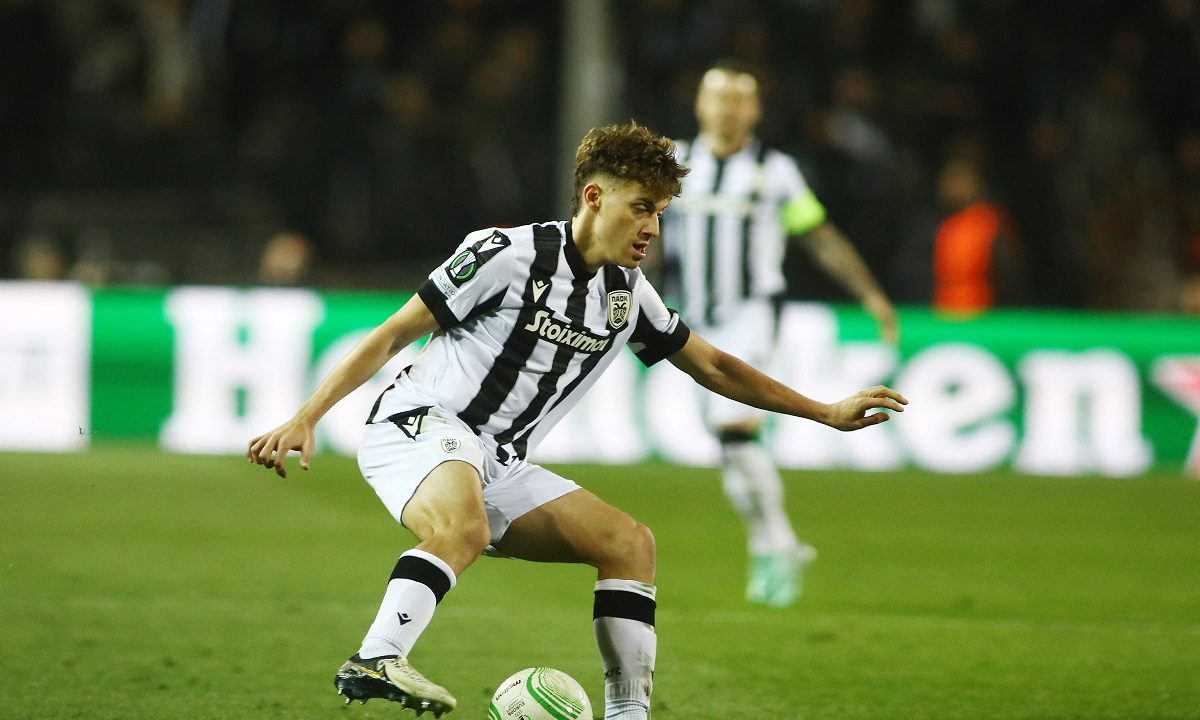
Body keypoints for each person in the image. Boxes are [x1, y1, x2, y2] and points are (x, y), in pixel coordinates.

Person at [247, 121, 907, 719]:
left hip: (498, 459)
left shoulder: (628, 293)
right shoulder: (506, 254)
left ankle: (628, 714)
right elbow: (394, 332)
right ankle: (376, 656)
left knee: (630, 545)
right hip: (420, 423)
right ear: (595, 197)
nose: (653, 228)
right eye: (641, 207)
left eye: (661, 212)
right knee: (464, 527)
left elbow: (713, 366)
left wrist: (823, 410)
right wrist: (307, 416)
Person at [660, 61, 900, 607]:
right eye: (717, 97)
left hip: (752, 316)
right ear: (699, 105)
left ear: (755, 111)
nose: (727, 109)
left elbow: (819, 237)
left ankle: (776, 543)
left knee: (734, 429)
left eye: (738, 100)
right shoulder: (674, 164)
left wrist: (870, 293)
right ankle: (775, 542)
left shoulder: (776, 172)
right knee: (728, 444)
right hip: (691, 319)